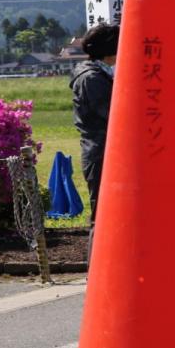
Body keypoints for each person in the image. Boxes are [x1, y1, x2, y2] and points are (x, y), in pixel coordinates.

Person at [70, 23, 118, 258]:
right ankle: (97, 267)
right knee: (102, 213)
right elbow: (113, 114)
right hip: (101, 152)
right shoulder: (92, 79)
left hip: (102, 149)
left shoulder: (99, 74)